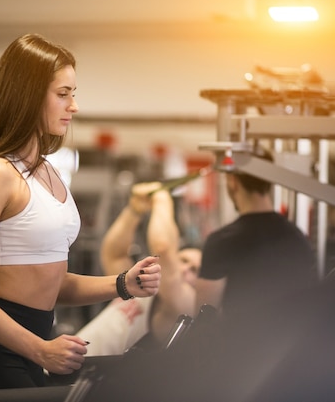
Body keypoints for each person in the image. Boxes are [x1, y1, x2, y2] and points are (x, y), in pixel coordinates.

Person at [0, 33, 161, 401]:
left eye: (73, 93)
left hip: (31, 350)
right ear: (27, 95)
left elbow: (49, 282)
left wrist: (123, 284)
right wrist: (39, 349)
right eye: (63, 94)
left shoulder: (47, 172)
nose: (73, 106)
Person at [76, 182, 201, 356]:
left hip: (95, 378)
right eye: (183, 260)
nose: (185, 268)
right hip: (65, 366)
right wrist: (134, 211)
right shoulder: (142, 287)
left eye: (195, 269)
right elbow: (114, 254)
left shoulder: (185, 305)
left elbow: (162, 247)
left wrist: (161, 198)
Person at [194, 147, 318, 319]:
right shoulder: (297, 237)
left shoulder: (222, 242)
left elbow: (203, 317)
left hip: (242, 344)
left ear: (233, 181)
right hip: (293, 344)